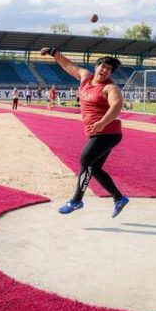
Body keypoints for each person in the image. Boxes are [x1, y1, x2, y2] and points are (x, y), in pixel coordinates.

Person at [39, 47, 130, 218]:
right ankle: (119, 198)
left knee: (85, 159)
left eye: (109, 69)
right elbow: (69, 66)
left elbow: (117, 106)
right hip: (98, 132)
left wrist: (101, 123)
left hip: (109, 133)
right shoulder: (85, 77)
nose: (105, 70)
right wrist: (53, 52)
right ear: (96, 67)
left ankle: (76, 200)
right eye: (103, 66)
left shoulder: (111, 88)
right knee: (94, 168)